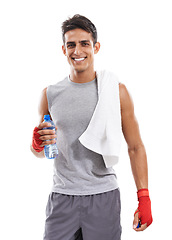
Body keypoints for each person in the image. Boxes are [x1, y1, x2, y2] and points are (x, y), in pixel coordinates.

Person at [31, 14, 153, 240]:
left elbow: (135, 146)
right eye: (71, 45)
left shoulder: (116, 91)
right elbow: (41, 151)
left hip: (103, 197)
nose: (77, 51)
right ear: (63, 49)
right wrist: (36, 143)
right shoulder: (49, 94)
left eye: (84, 44)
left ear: (96, 47)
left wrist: (144, 198)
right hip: (62, 196)